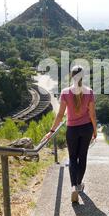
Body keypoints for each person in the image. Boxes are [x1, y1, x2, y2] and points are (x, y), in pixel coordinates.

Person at [44, 65, 98, 203]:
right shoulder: (89, 92)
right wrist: (95, 130)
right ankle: (79, 184)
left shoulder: (65, 92)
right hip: (86, 129)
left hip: (72, 129)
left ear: (71, 76)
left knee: (72, 158)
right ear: (83, 76)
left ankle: (74, 186)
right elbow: (92, 114)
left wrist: (51, 131)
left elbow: (60, 115)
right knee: (83, 157)